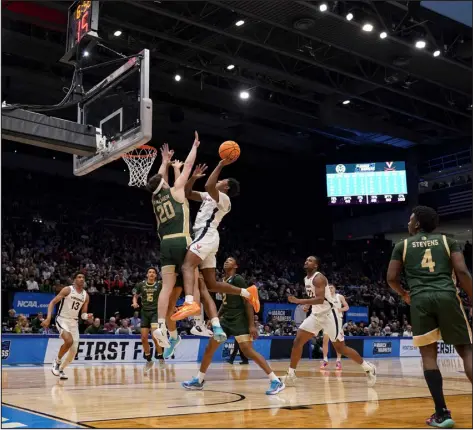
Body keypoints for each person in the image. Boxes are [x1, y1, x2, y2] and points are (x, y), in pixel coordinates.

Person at [387, 205, 472, 428]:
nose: (408, 223)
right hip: (447, 296)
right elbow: (462, 272)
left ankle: (441, 413)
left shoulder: (402, 245)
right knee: (466, 351)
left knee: (428, 356)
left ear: (417, 224)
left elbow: (391, 277)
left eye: (410, 219)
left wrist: (405, 294)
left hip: (420, 300)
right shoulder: (447, 241)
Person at [182, 257, 285, 395]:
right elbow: (225, 304)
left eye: (230, 260)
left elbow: (248, 301)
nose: (226, 261)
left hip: (239, 320)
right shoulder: (223, 281)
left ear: (235, 265)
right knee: (209, 348)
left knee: (248, 351)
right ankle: (198, 380)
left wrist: (252, 325)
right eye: (225, 260)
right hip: (226, 320)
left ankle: (275, 381)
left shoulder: (238, 279)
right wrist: (215, 318)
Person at [172, 161, 260, 322]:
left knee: (187, 266)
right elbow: (187, 193)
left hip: (206, 234)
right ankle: (248, 292)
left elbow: (208, 185)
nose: (218, 181)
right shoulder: (209, 196)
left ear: (226, 187)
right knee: (212, 284)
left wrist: (220, 164)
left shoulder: (224, 199)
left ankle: (189, 302)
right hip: (208, 238)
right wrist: (193, 177)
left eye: (222, 181)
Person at [146, 134, 202, 350]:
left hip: (165, 244)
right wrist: (194, 146)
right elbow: (188, 166)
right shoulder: (177, 192)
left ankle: (160, 325)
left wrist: (165, 162)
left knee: (166, 288)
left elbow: (160, 179)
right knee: (193, 277)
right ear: (165, 183)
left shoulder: (154, 198)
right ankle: (196, 319)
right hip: (182, 239)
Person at [284, 256, 376, 386]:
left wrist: (299, 301)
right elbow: (315, 298)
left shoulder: (319, 278)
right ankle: (291, 373)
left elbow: (320, 299)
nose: (306, 261)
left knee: (341, 348)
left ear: (315, 265)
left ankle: (368, 368)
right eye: (306, 260)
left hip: (329, 315)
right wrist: (308, 305)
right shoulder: (306, 279)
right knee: (298, 341)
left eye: (310, 260)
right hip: (315, 315)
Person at [41, 273, 91, 380]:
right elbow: (52, 303)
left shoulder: (86, 295)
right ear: (74, 280)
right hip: (62, 319)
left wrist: (88, 316)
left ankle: (61, 369)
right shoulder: (67, 290)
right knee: (69, 341)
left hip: (74, 322)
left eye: (83, 278)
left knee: (73, 352)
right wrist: (48, 318)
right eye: (79, 277)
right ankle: (57, 361)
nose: (81, 279)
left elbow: (83, 314)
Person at [132, 267, 180, 366]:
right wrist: (135, 303)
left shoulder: (159, 284)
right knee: (144, 338)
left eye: (153, 272)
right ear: (147, 274)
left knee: (155, 337)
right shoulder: (141, 284)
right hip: (145, 313)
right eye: (149, 272)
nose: (151, 274)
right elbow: (135, 296)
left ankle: (161, 357)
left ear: (156, 275)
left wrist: (172, 306)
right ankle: (149, 359)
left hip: (155, 312)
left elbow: (167, 294)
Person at [321, 284, 349, 370]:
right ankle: (325, 360)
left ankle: (338, 361)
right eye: (328, 288)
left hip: (337, 322)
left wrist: (339, 310)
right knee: (325, 340)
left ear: (335, 289)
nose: (330, 289)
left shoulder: (339, 297)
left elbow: (347, 307)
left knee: (338, 342)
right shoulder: (324, 297)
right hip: (327, 321)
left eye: (331, 287)